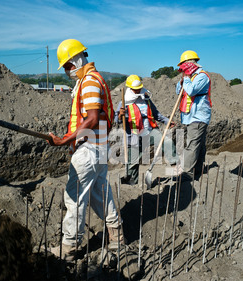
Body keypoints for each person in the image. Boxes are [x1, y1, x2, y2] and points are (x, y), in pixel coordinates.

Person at [47, 39, 124, 261]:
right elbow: (95, 117)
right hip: (98, 148)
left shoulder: (89, 81)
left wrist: (66, 140)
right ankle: (117, 237)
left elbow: (91, 119)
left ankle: (69, 248)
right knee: (100, 194)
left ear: (76, 60)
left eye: (68, 66)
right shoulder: (94, 79)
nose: (67, 71)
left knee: (74, 197)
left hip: (89, 149)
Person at [117, 75, 177, 185]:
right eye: (136, 89)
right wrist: (120, 115)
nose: (138, 90)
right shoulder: (124, 102)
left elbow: (156, 113)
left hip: (149, 130)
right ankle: (131, 185)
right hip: (133, 134)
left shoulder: (146, 98)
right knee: (133, 162)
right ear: (130, 88)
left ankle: (176, 169)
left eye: (139, 87)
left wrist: (166, 121)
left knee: (167, 142)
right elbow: (118, 121)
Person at [175, 50, 212, 181]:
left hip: (198, 115)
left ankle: (187, 174)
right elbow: (178, 91)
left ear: (191, 63)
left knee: (192, 145)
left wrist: (186, 79)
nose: (182, 68)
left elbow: (191, 90)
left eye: (184, 64)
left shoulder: (202, 76)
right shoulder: (189, 77)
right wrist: (181, 82)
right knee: (199, 144)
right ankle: (198, 170)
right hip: (190, 115)